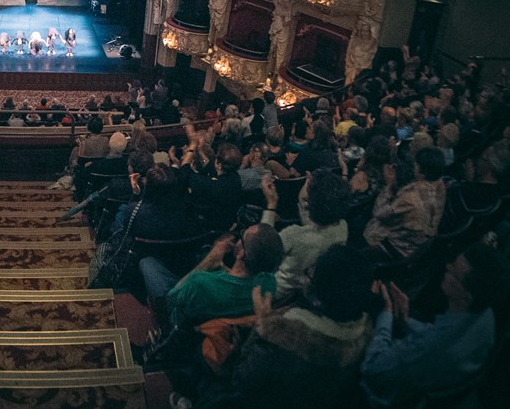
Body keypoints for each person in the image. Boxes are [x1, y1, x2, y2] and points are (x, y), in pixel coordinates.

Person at [191, 245, 374, 409]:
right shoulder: (365, 333)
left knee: (203, 354)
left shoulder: (281, 336)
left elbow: (242, 381)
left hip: (265, 400)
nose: (305, 277)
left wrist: (263, 324)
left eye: (311, 273)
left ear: (320, 294)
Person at [360, 244, 510, 407]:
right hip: (435, 372)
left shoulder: (435, 346)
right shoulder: (486, 315)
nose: (447, 267)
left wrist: (386, 312)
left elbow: (372, 369)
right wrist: (406, 320)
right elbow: (435, 334)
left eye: (454, 273)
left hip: (386, 396)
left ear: (466, 297)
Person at [139, 223, 283, 329]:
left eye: (242, 237)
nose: (238, 238)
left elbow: (169, 301)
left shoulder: (200, 283)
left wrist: (210, 260)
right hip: (219, 327)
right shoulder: (270, 284)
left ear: (241, 253)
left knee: (147, 264)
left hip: (180, 326)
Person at [262, 170, 350, 301]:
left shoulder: (294, 235)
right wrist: (306, 193)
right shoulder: (343, 226)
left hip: (278, 293)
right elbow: (311, 220)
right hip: (306, 290)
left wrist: (271, 204)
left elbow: (262, 248)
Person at [364, 147, 447, 258]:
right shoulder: (441, 185)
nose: (414, 168)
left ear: (422, 173)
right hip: (419, 241)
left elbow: (378, 213)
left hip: (399, 249)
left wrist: (389, 186)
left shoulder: (410, 198)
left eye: (416, 165)